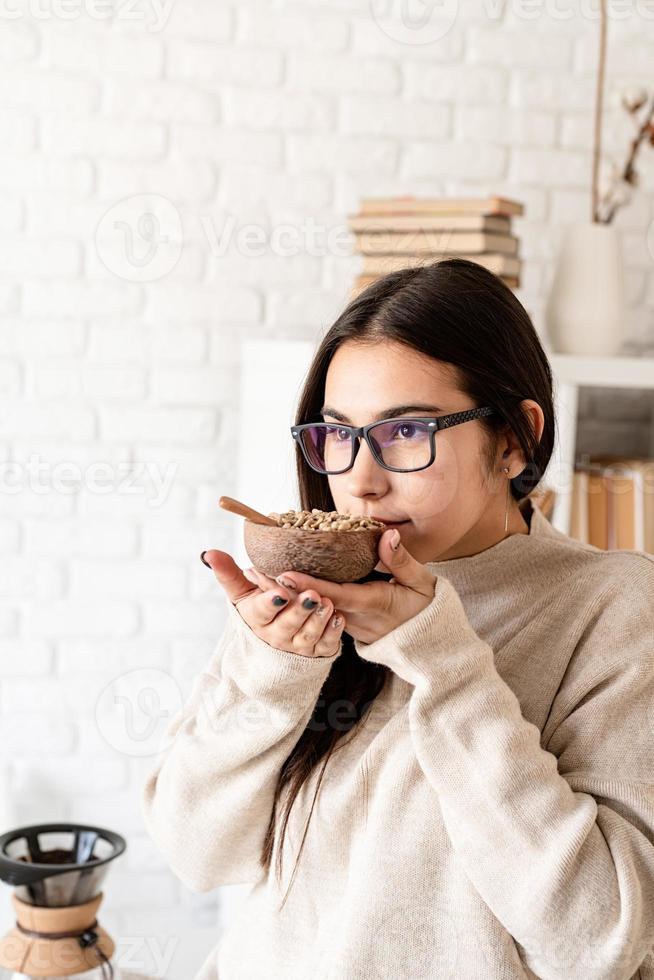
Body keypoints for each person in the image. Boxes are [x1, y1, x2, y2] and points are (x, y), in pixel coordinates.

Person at [141, 258, 654, 980]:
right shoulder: (306, 602)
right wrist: (271, 673)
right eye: (337, 434)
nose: (358, 479)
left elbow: (598, 943)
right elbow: (197, 854)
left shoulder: (613, 609)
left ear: (514, 439)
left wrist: (443, 660)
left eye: (407, 431)